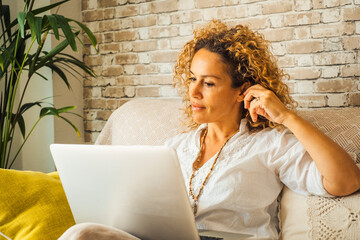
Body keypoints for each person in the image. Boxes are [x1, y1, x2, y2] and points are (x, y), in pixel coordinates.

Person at [59, 20, 360, 239]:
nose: (193, 92)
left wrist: (288, 118)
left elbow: (345, 181)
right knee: (83, 233)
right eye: (192, 79)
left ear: (242, 90)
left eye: (209, 83)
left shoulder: (271, 145)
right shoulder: (174, 147)